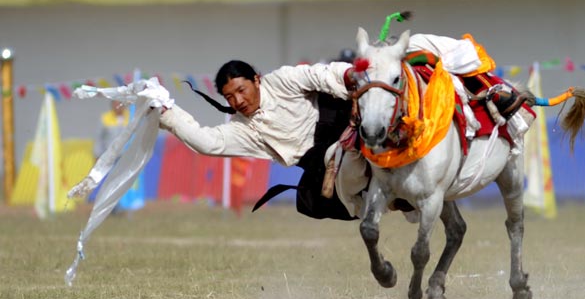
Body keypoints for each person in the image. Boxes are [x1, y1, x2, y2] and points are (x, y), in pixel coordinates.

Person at [156, 30, 497, 221]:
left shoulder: (282, 80)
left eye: (241, 90)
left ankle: (481, 101)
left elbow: (320, 74)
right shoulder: (241, 128)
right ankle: (396, 201)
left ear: (256, 80)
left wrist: (348, 77)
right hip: (320, 166)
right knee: (315, 203)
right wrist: (167, 115)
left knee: (387, 110)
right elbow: (206, 142)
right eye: (230, 98)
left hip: (342, 123)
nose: (238, 101)